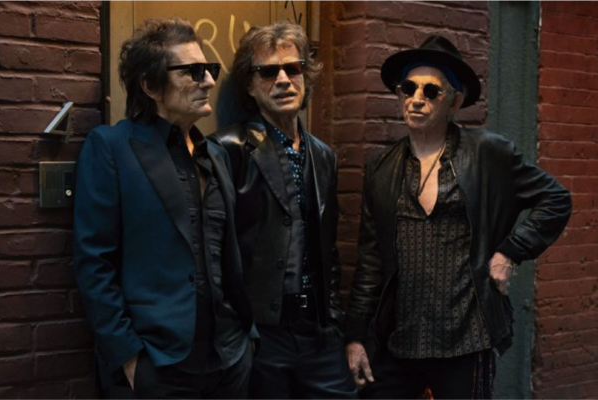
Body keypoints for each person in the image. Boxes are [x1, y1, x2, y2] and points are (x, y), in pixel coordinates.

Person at [344, 34, 572, 399]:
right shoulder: (381, 168)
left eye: (431, 91)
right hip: (399, 340)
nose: (417, 99)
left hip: (466, 338)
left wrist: (510, 252)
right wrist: (356, 336)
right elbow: (371, 260)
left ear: (454, 102)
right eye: (408, 88)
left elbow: (556, 199)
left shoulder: (488, 153)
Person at [73, 18, 255, 400]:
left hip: (228, 358)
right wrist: (129, 357)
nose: (209, 81)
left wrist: (246, 337)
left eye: (209, 69)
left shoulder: (216, 154)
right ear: (150, 86)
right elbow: (94, 261)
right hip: (158, 364)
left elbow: (230, 253)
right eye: (193, 71)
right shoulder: (112, 147)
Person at [211, 22, 358, 400]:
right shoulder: (228, 149)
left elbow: (328, 249)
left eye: (293, 68)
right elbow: (212, 254)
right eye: (267, 71)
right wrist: (235, 334)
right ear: (249, 84)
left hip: (319, 333)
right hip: (260, 334)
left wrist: (335, 323)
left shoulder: (323, 156)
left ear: (305, 77)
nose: (283, 80)